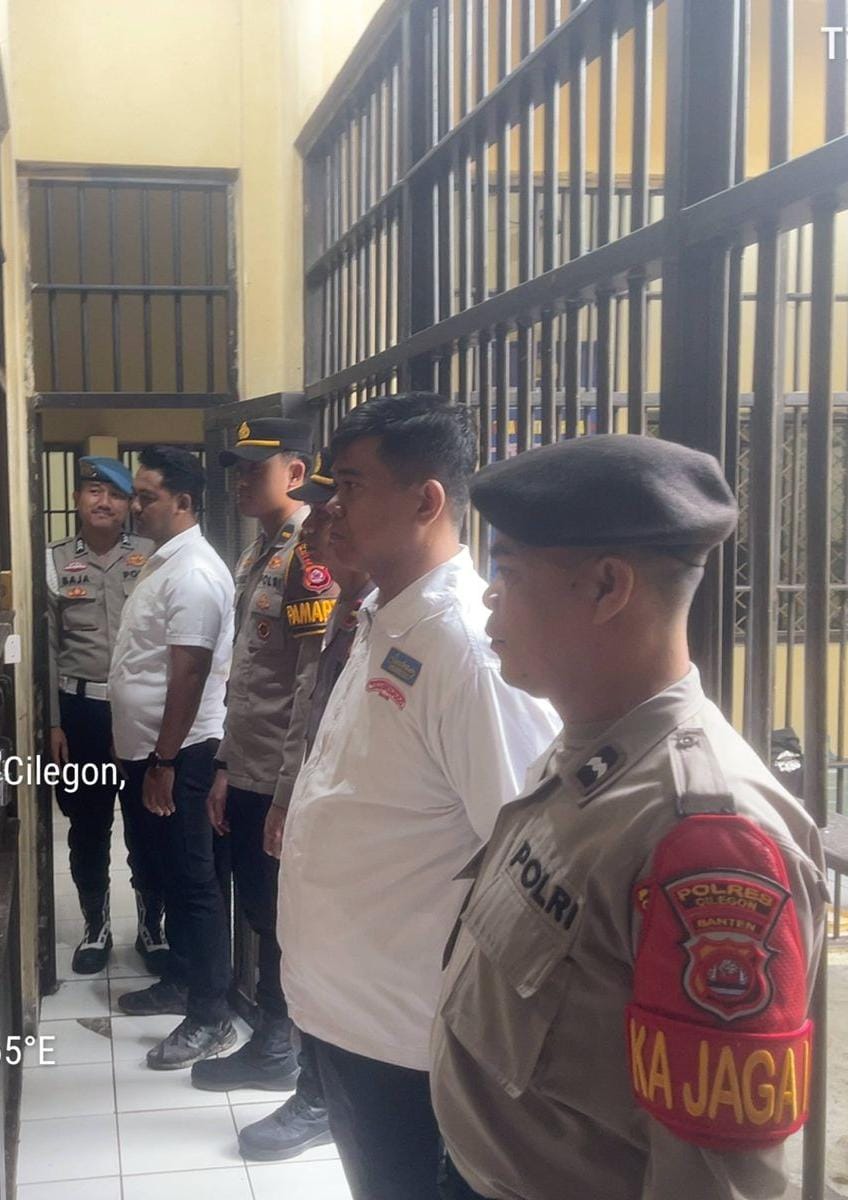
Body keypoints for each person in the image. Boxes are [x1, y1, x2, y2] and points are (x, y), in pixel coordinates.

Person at [430, 434, 829, 1200]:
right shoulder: (588, 745)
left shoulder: (706, 835)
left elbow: (714, 1181)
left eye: (510, 571)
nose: (488, 595)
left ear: (607, 587)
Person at [277, 394, 560, 1200]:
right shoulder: (384, 616)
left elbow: (524, 860)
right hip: (354, 1019)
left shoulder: (466, 646)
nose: (331, 507)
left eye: (352, 485)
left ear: (426, 500)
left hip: (416, 1040)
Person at [190, 420, 338, 1154]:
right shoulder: (259, 549)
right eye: (238, 469)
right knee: (260, 910)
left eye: (256, 468)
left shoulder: (311, 552)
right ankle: (275, 1040)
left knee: (286, 921)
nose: (241, 481)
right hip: (248, 765)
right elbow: (245, 676)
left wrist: (283, 792)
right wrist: (225, 766)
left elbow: (309, 683)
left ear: (297, 472)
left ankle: (289, 1052)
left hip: (281, 773)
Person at [234, 448, 372, 1163]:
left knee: (317, 950)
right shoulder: (356, 609)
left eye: (338, 507)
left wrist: (284, 794)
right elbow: (310, 708)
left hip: (355, 834)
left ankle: (309, 1083)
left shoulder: (416, 625)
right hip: (300, 795)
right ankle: (303, 1073)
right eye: (319, 511)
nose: (321, 524)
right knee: (291, 933)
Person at [109, 446, 237, 1070]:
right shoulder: (164, 563)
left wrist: (163, 761)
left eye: (146, 496)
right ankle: (182, 980)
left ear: (183, 501)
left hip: (182, 753)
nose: (135, 506)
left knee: (194, 882)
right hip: (152, 751)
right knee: (165, 870)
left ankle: (211, 1017)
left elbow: (189, 672)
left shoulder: (195, 573)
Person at [46, 455, 168, 975]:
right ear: (78, 499)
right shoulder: (53, 561)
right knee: (87, 825)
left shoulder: (153, 556)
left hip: (140, 712)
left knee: (146, 823)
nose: (104, 502)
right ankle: (95, 926)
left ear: (130, 505)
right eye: (94, 491)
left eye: (116, 495)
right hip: (81, 717)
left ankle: (151, 926)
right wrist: (53, 722)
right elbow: (48, 649)